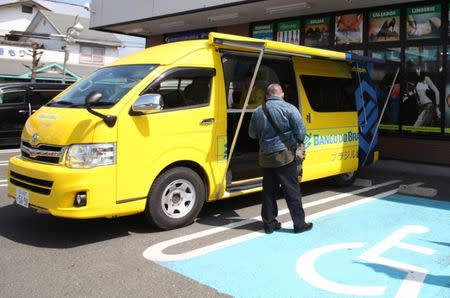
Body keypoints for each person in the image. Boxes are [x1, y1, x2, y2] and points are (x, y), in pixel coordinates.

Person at [248, 83, 313, 234]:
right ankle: (299, 224)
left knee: (269, 192)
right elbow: (301, 132)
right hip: (285, 156)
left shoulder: (258, 111)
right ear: (282, 94)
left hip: (265, 157)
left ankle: (269, 225)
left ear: (267, 96)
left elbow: (251, 134)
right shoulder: (289, 108)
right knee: (292, 191)